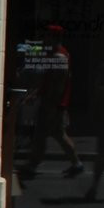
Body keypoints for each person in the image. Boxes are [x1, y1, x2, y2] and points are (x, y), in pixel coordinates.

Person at [23, 24, 83, 178]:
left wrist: (52, 106)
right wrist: (36, 94)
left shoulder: (59, 57)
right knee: (58, 134)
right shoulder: (58, 54)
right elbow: (48, 81)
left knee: (40, 135)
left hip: (52, 104)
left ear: (54, 38)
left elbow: (57, 85)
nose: (45, 39)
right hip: (55, 104)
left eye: (48, 36)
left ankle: (32, 165)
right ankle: (76, 163)